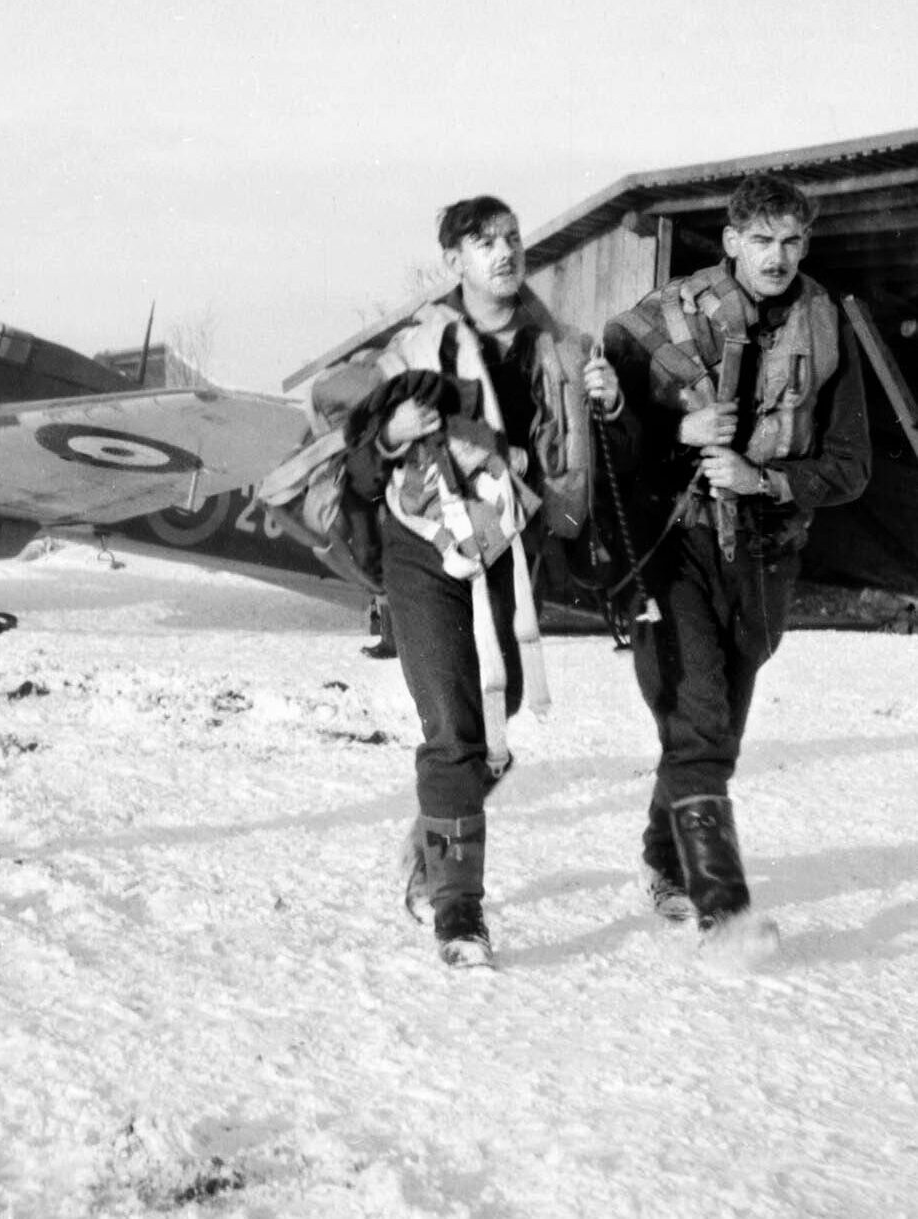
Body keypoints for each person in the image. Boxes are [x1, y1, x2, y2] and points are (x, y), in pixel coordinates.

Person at [339, 195, 617, 967]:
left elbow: (580, 457)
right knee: (457, 732)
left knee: (505, 709)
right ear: (452, 262)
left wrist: (611, 405)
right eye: (483, 241)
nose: (504, 252)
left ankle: (437, 825)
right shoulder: (415, 349)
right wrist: (391, 435)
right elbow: (356, 468)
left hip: (507, 547)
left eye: (512, 238)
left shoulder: (559, 348)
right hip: (422, 548)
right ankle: (459, 913)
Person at [600, 173, 868, 953]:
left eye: (791, 241)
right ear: (730, 242)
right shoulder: (662, 321)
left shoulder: (830, 323)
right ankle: (720, 904)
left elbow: (850, 465)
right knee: (702, 722)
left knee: (714, 732)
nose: (778, 257)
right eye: (761, 241)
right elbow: (601, 446)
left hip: (765, 551)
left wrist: (769, 479)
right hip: (674, 543)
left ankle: (662, 861)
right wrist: (674, 435)